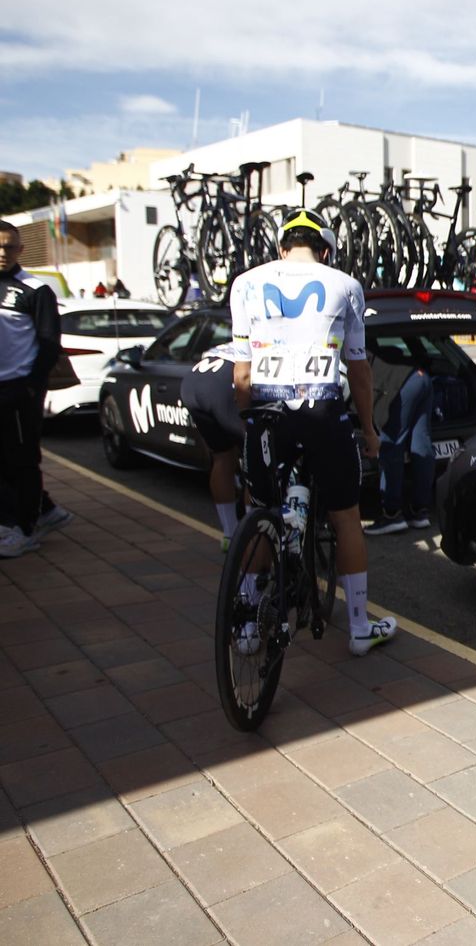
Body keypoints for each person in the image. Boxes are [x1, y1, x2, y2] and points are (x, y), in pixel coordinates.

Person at [230, 209, 397, 656]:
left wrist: (249, 421)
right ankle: (360, 627)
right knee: (345, 517)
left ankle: (246, 626)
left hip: (267, 410)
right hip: (323, 409)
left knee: (260, 511)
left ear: (282, 248)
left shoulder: (245, 282)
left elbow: (241, 374)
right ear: (324, 250)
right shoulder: (344, 284)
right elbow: (358, 371)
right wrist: (369, 429)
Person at [0, 221, 74, 558]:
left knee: (23, 460)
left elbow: (49, 345)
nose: (4, 253)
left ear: (20, 249)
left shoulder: (34, 290)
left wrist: (30, 388)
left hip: (19, 390)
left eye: (10, 247)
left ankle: (25, 530)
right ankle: (42, 510)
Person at [179, 338, 247, 551]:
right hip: (224, 382)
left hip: (194, 380)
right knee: (256, 457)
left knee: (222, 456)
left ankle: (229, 532)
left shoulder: (237, 336)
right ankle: (253, 534)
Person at [364, 349, 435, 535]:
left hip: (401, 385)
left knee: (390, 445)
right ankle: (419, 511)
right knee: (421, 442)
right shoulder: (363, 346)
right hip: (420, 377)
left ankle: (391, 513)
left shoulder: (349, 351)